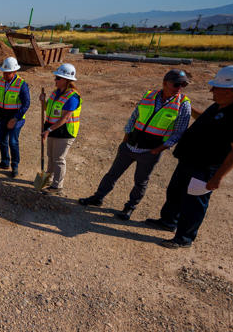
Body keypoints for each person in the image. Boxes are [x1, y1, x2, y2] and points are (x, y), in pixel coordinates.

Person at [146, 65, 233, 248]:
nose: (211, 90)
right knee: (175, 192)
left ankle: (184, 238)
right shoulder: (220, 105)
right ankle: (167, 221)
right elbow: (204, 120)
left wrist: (218, 177)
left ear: (231, 91)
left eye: (217, 88)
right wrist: (186, 108)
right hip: (188, 160)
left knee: (194, 204)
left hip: (205, 167)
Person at [78, 70, 192, 220]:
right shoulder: (149, 95)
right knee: (112, 174)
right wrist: (125, 139)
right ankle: (97, 198)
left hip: (150, 152)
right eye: (176, 84)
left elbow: (179, 132)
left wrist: (158, 150)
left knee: (140, 182)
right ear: (165, 83)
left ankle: (129, 207)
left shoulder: (183, 104)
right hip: (130, 145)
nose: (179, 88)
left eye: (183, 84)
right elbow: (134, 117)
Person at [39, 63, 82, 195]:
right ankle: (49, 179)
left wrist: (48, 130)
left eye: (58, 78)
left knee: (58, 158)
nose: (55, 80)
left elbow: (64, 119)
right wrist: (43, 101)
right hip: (52, 129)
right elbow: (49, 109)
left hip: (65, 132)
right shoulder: (56, 93)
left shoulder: (72, 97)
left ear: (66, 80)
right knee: (51, 156)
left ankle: (57, 186)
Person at [0, 57, 30, 178]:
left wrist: (15, 118)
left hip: (16, 119)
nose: (5, 74)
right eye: (4, 72)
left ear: (14, 72)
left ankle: (15, 165)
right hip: (3, 116)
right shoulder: (0, 80)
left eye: (8, 73)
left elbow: (26, 103)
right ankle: (5, 162)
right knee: (2, 140)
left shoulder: (22, 84)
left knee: (13, 142)